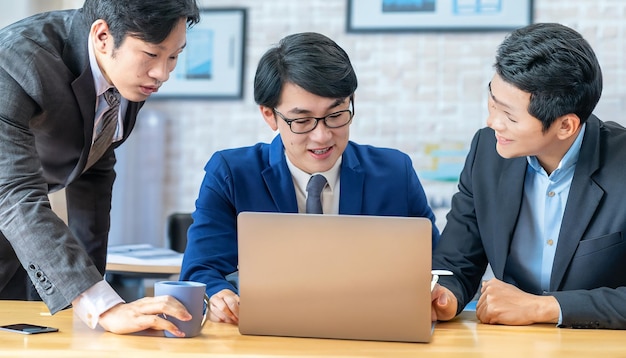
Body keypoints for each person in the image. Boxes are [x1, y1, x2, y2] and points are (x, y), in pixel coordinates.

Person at [179, 32, 440, 325]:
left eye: (337, 114)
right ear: (269, 115)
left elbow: (437, 263)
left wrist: (436, 294)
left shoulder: (394, 173)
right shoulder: (232, 172)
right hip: (270, 333)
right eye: (302, 121)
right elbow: (200, 270)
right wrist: (218, 295)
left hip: (371, 331)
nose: (322, 135)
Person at [0, 0, 201, 336]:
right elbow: (14, 193)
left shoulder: (125, 78)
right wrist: (102, 304)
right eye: (151, 55)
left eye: (174, 56)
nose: (162, 74)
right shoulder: (16, 62)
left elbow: (93, 172)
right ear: (103, 36)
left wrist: (99, 304)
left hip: (23, 241)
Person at [431, 22, 626, 329]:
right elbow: (457, 261)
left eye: (509, 115)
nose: (492, 122)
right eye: (492, 103)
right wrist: (445, 297)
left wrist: (543, 307)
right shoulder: (487, 150)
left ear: (566, 126)